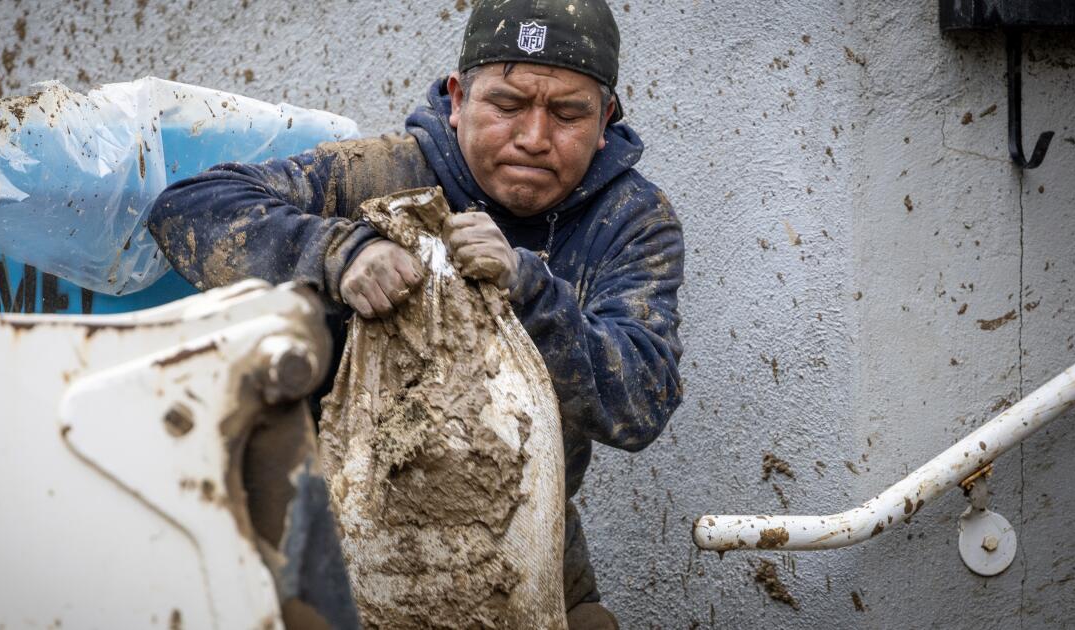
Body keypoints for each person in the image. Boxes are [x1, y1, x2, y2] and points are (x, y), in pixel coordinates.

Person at [147, 0, 683, 626]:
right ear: (457, 98)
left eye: (568, 114)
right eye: (507, 106)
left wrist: (529, 289)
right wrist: (336, 253)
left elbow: (640, 403)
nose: (534, 137)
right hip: (341, 526)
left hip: (520, 541)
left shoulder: (630, 221)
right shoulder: (375, 172)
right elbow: (188, 208)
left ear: (605, 117)